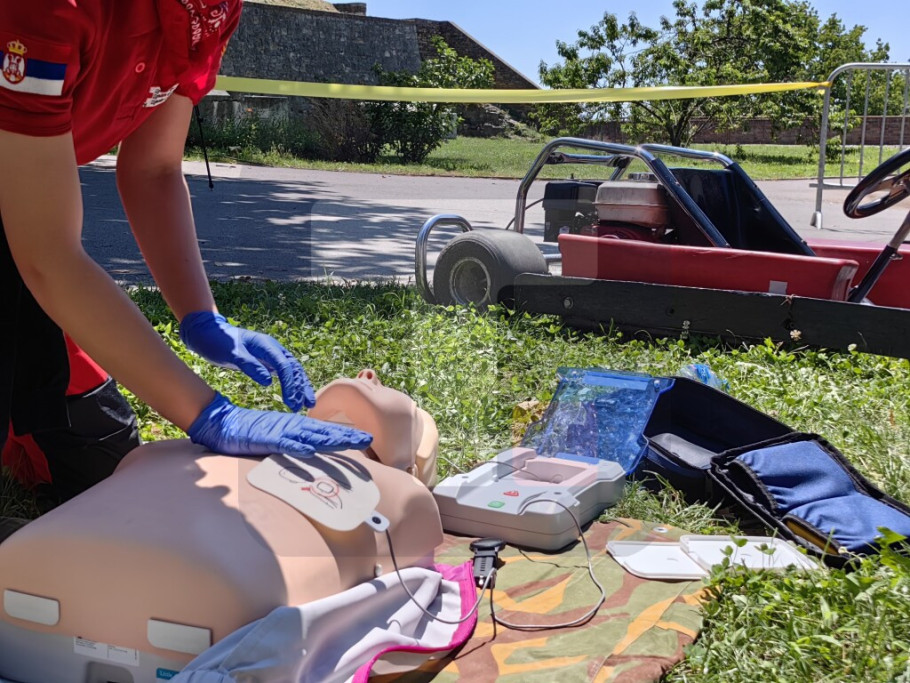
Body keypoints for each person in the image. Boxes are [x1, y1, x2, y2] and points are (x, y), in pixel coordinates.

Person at [0, 0, 372, 542]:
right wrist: (208, 413)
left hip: (19, 188)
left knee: (102, 462)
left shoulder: (211, 11)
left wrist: (201, 315)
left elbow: (153, 169)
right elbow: (48, 256)